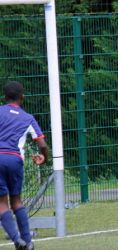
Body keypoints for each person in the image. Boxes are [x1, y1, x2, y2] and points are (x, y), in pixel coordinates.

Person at [0, 81, 48, 250]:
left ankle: (16, 240)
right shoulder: (28, 118)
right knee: (16, 201)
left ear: (4, 97)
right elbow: (42, 144)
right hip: (14, 159)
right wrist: (44, 157)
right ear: (23, 97)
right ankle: (27, 243)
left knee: (1, 203)